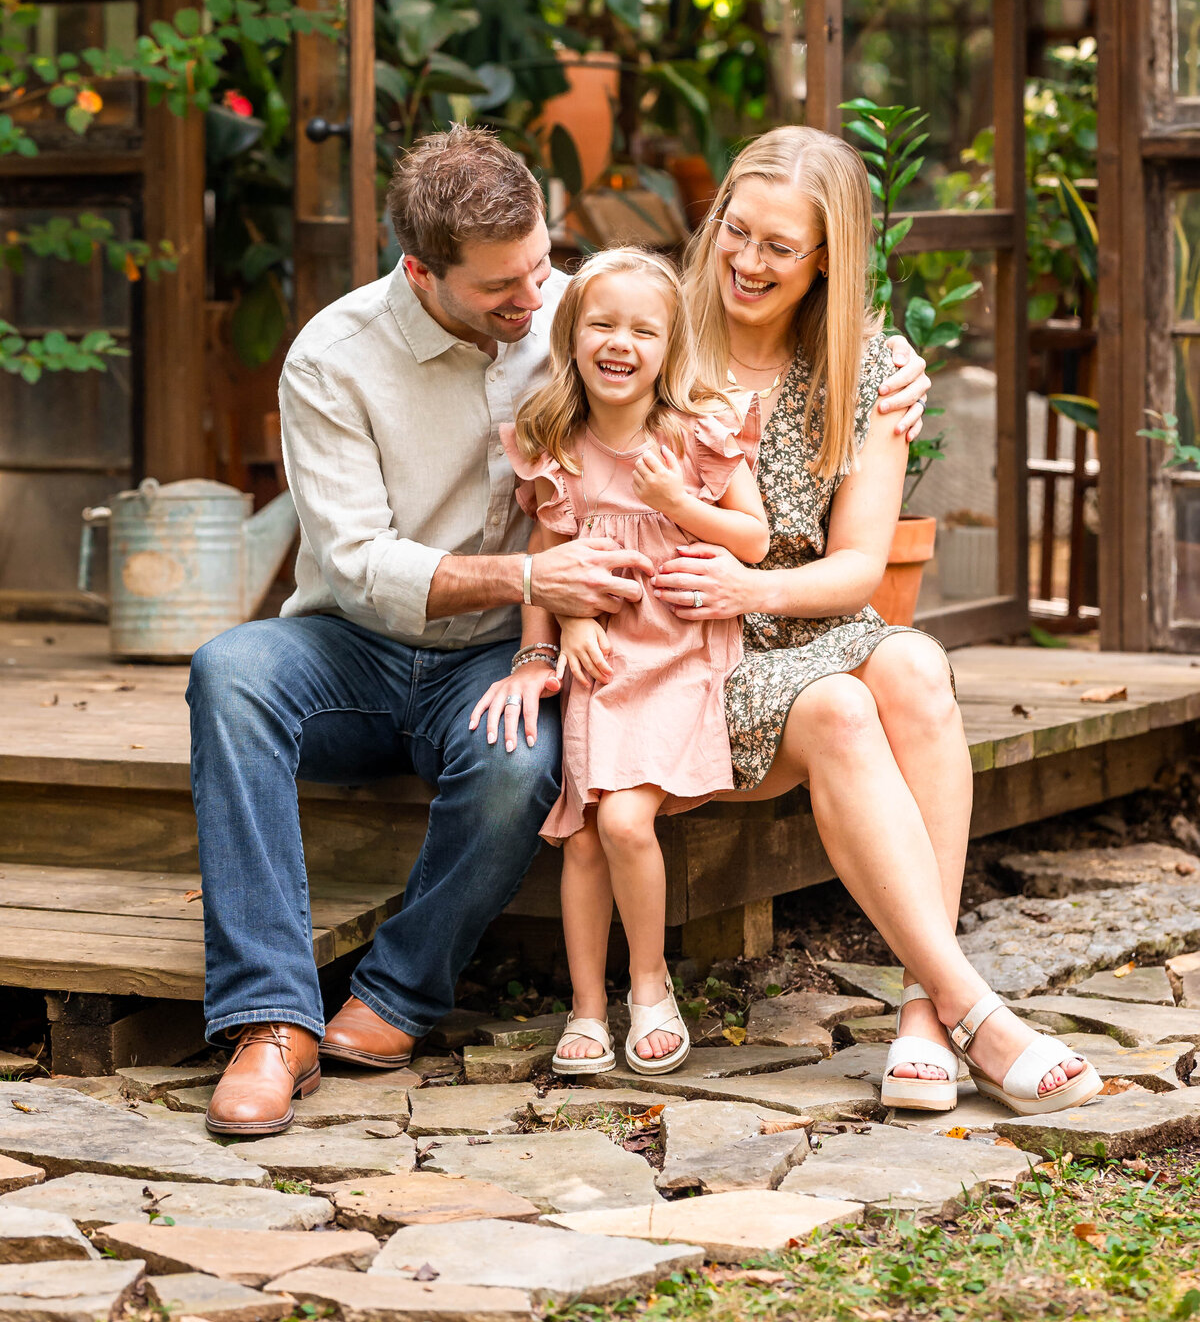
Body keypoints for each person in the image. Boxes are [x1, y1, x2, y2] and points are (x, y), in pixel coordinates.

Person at [188, 125, 931, 1136]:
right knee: (230, 672)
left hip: (507, 655)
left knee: (521, 767)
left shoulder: (578, 313)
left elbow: (695, 326)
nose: (535, 298)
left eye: (543, 266)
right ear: (423, 272)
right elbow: (357, 565)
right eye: (504, 287)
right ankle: (271, 1021)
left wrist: (889, 360)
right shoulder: (333, 359)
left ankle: (396, 995)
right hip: (356, 646)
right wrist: (534, 578)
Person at [640, 126, 1101, 1116]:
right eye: (736, 231)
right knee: (844, 709)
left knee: (917, 667)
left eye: (779, 247)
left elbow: (856, 568)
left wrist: (754, 587)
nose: (747, 262)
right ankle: (973, 1011)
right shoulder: (653, 330)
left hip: (794, 615)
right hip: (690, 648)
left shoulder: (865, 369)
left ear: (826, 259)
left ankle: (924, 1016)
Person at [471, 250, 769, 1076]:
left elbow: (753, 540)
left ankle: (648, 983)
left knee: (625, 821)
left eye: (644, 330)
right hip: (601, 658)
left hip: (678, 650)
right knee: (581, 840)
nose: (620, 343)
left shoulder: (695, 434)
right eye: (602, 324)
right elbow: (546, 559)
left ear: (670, 348)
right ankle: (587, 1008)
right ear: (571, 335)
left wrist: (677, 502)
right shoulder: (559, 444)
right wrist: (561, 627)